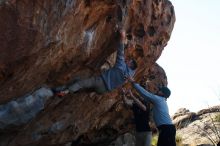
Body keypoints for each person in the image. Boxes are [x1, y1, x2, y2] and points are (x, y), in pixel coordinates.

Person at [53, 30, 137, 96]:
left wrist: (122, 35)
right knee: (81, 85)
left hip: (100, 81)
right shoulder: (129, 76)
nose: (127, 61)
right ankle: (64, 88)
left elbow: (120, 52)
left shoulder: (121, 66)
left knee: (81, 83)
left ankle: (65, 92)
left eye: (129, 61)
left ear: (130, 64)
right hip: (103, 90)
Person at [127, 76, 176, 146]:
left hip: (166, 129)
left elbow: (145, 94)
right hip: (167, 129)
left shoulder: (158, 99)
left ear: (163, 93)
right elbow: (147, 98)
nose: (157, 91)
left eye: (160, 90)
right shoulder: (161, 101)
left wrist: (133, 82)